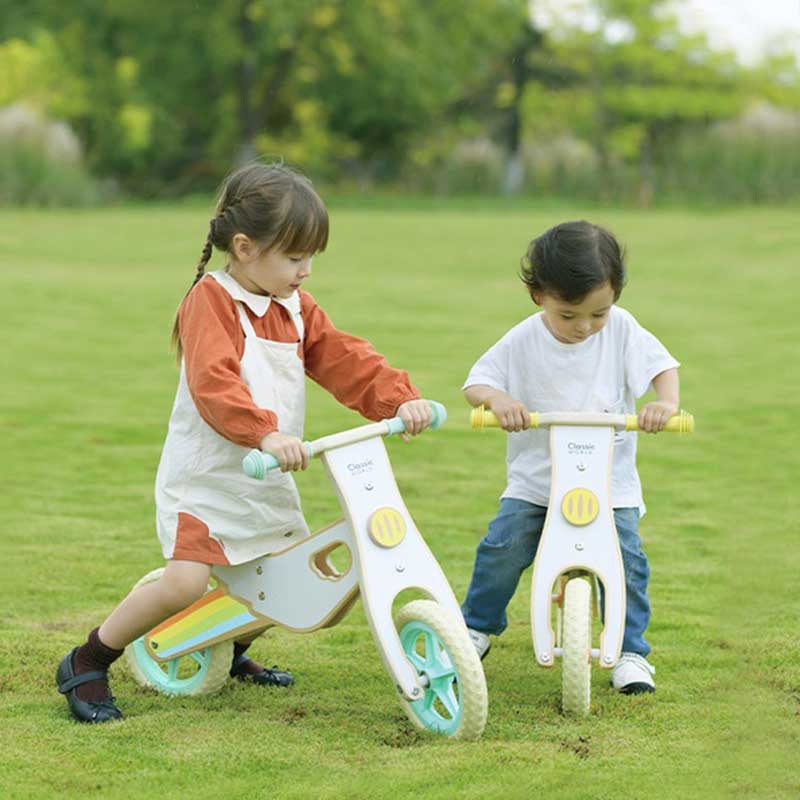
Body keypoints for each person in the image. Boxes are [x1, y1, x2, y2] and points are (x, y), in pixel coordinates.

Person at [56, 162, 433, 723]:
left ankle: (230, 649)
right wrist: (267, 432)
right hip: (208, 478)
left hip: (265, 472)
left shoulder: (295, 307)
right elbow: (214, 382)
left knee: (283, 580)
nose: (306, 272)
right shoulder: (212, 301)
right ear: (245, 247)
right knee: (185, 582)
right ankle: (88, 659)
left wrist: (396, 398)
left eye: (311, 259)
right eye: (295, 257)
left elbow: (342, 356)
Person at [460, 220, 680, 694]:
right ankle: (476, 626)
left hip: (609, 483)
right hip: (537, 481)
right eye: (569, 315)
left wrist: (666, 403)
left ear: (615, 297)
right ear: (539, 295)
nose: (584, 327)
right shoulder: (522, 340)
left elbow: (662, 367)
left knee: (627, 561)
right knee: (503, 546)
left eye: (597, 314)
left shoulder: (621, 330)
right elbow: (477, 382)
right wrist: (498, 401)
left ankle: (629, 651)